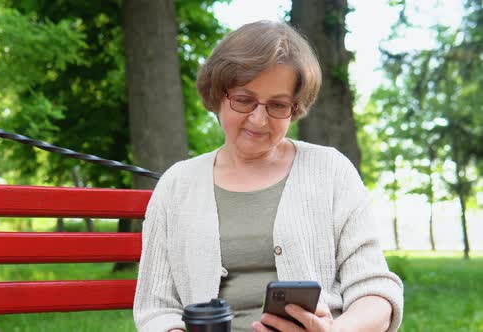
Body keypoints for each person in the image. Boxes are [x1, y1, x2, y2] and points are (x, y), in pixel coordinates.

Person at [133, 20, 403, 332]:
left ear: (296, 108)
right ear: (218, 95)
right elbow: (157, 308)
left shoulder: (331, 171)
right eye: (244, 100)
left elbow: (376, 292)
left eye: (278, 105)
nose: (259, 120)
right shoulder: (176, 185)